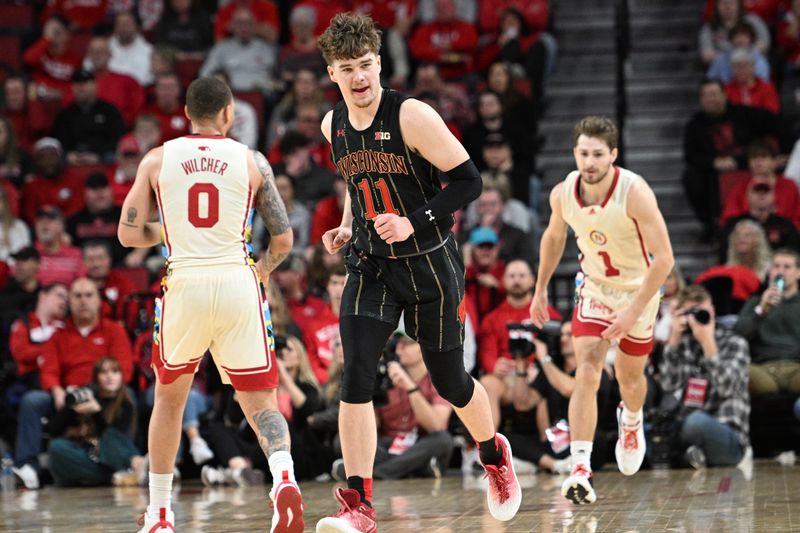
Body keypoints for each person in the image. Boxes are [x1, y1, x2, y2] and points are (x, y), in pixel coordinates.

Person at [316, 14, 521, 532]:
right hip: (370, 263)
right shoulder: (331, 123)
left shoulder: (412, 115)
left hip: (430, 261)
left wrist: (412, 221)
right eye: (347, 69)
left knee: (451, 381)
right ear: (332, 73)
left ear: (379, 63)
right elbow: (356, 180)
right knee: (357, 372)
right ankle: (360, 505)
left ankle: (493, 453)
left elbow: (468, 182)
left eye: (366, 65)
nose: (359, 77)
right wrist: (346, 225)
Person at [117, 76, 302, 533]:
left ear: (186, 114)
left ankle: (160, 515)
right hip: (238, 279)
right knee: (260, 401)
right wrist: (260, 272)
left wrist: (170, 231)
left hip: (186, 281)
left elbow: (127, 233)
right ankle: (283, 479)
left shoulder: (157, 159)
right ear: (228, 113)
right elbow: (282, 239)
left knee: (170, 401)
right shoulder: (253, 160)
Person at [530, 116, 674, 504]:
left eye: (597, 154)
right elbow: (553, 236)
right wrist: (541, 288)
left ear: (613, 154)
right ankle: (580, 468)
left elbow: (664, 260)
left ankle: (631, 420)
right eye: (582, 153)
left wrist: (632, 312)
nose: (589, 162)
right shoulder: (563, 193)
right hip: (594, 286)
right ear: (574, 153)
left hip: (638, 292)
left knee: (630, 379)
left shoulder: (635, 192)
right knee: (588, 368)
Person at [658, 285, 750, 468]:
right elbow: (668, 385)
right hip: (686, 427)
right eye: (692, 313)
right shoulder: (683, 344)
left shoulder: (735, 343)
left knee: (696, 422)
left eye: (703, 312)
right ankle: (690, 457)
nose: (699, 318)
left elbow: (727, 387)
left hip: (726, 435)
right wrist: (674, 336)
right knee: (651, 433)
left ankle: (684, 457)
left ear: (713, 311)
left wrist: (707, 342)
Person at [734, 248, 800, 397]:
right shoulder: (755, 302)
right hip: (763, 370)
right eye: (776, 266)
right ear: (770, 271)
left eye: (787, 267)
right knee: (739, 370)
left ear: (798, 272)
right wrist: (761, 309)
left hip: (797, 368)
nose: (780, 271)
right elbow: (738, 336)